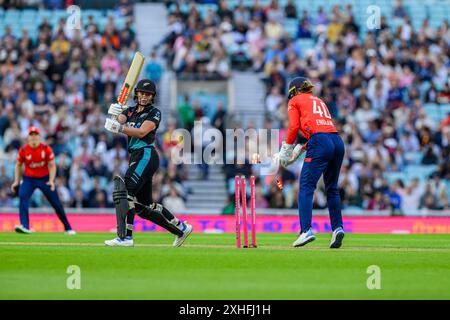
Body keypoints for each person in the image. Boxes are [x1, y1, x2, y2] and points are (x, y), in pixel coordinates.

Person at [103, 79, 192, 247]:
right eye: (142, 93)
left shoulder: (154, 112)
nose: (144, 97)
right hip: (136, 156)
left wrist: (119, 128)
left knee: (126, 191)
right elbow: (117, 120)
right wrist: (113, 112)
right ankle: (181, 228)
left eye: (148, 94)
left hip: (146, 154)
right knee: (144, 207)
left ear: (153, 97)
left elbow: (142, 132)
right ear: (136, 94)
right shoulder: (129, 111)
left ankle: (125, 237)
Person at [278, 77, 345, 248]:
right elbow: (323, 132)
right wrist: (300, 150)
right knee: (332, 188)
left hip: (321, 141)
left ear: (294, 91)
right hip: (337, 141)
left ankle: (305, 230)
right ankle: (337, 228)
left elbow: (293, 127)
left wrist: (286, 150)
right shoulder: (319, 101)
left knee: (306, 186)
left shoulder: (295, 100)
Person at [11, 127, 75, 235]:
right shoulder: (23, 150)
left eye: (36, 135)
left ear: (39, 137)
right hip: (29, 179)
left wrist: (51, 180)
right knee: (22, 195)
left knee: (56, 204)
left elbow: (52, 165)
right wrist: (16, 181)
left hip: (44, 178)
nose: (34, 137)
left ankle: (68, 228)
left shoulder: (46, 149)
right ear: (28, 137)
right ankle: (25, 226)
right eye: (31, 135)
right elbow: (18, 165)